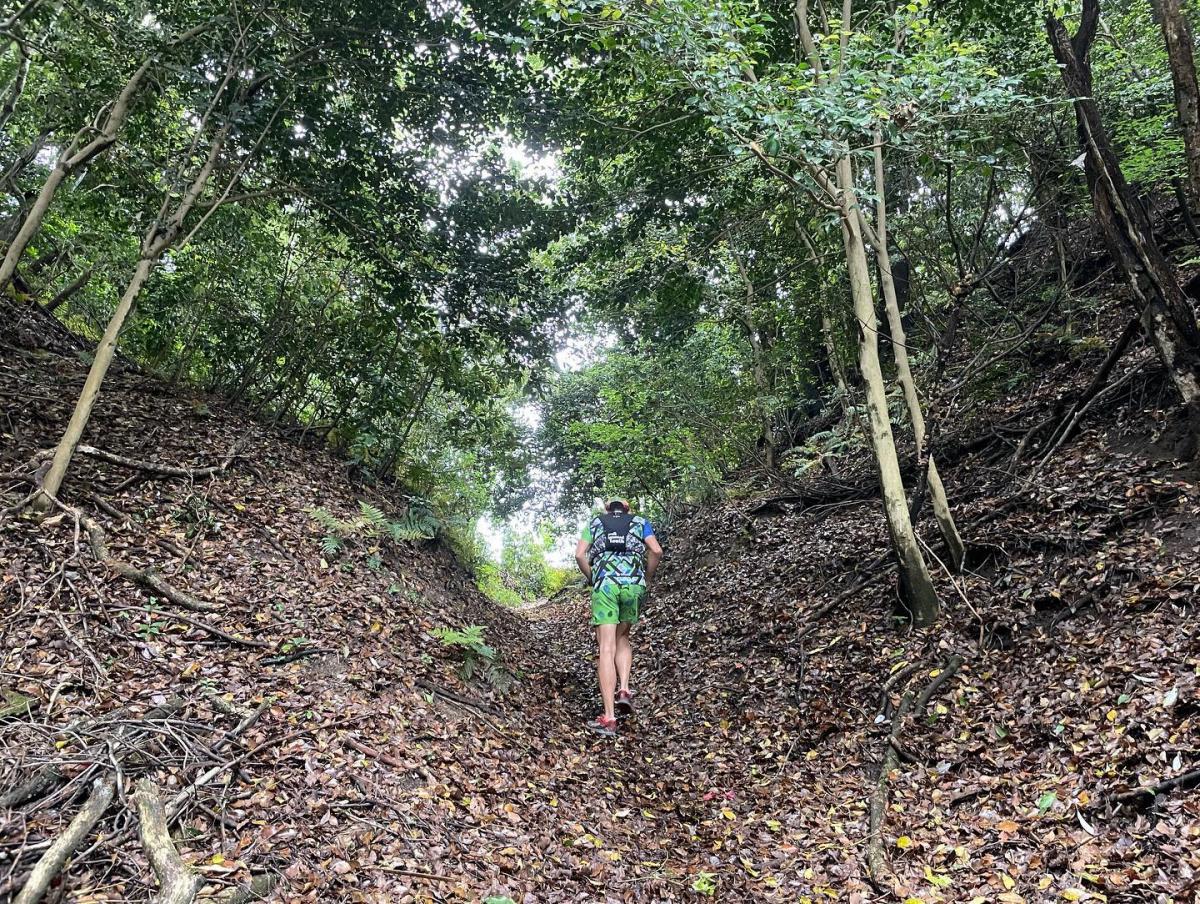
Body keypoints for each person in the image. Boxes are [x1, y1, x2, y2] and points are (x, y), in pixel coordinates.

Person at [575, 498, 663, 737]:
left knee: (606, 647)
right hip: (633, 586)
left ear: (607, 510)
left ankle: (610, 717)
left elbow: (580, 555)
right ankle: (624, 689)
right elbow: (656, 550)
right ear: (627, 510)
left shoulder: (595, 523)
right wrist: (647, 576)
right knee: (623, 637)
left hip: (605, 587)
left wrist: (594, 577)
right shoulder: (640, 522)